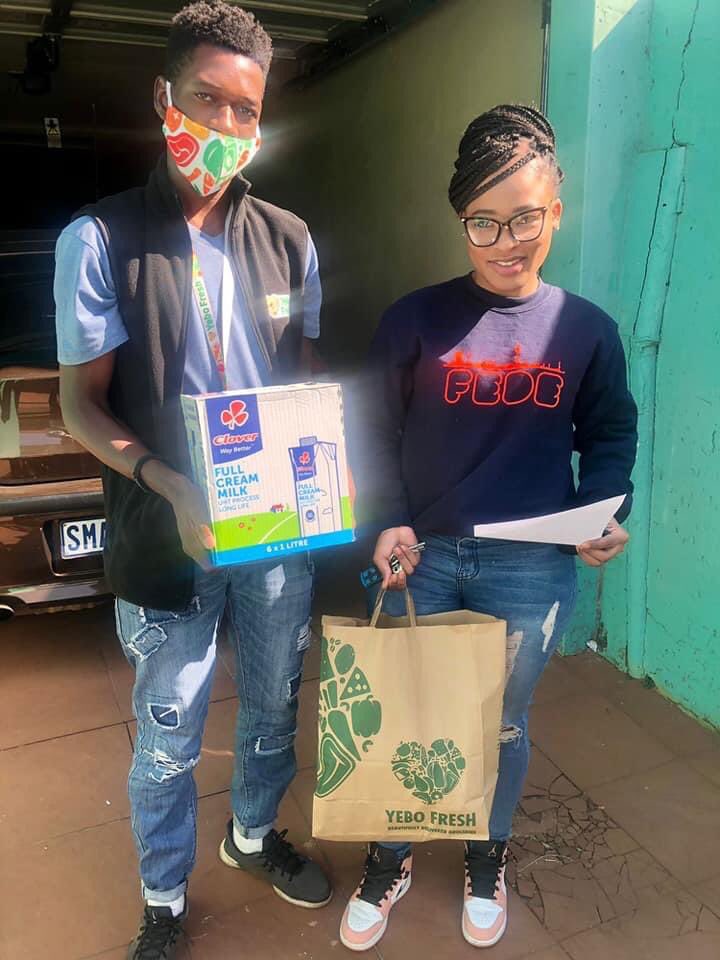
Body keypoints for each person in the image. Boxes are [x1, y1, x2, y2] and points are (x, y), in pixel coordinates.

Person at [54, 3, 331, 956]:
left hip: (274, 539)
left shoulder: (291, 239)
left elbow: (297, 384)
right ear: (162, 97)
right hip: (166, 536)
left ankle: (252, 835)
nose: (219, 127)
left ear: (260, 121)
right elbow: (81, 406)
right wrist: (167, 482)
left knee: (273, 702)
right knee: (169, 730)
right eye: (203, 99)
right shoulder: (99, 241)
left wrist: (318, 482)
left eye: (243, 109)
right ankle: (165, 896)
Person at [341, 105, 638, 952]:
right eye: (483, 222)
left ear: (557, 210)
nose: (507, 240)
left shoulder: (587, 332)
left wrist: (610, 507)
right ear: (460, 219)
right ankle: (391, 853)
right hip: (426, 558)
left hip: (532, 570)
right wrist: (387, 518)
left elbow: (611, 434)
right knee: (415, 711)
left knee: (503, 721)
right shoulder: (414, 320)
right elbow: (374, 431)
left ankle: (485, 851)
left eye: (527, 218)